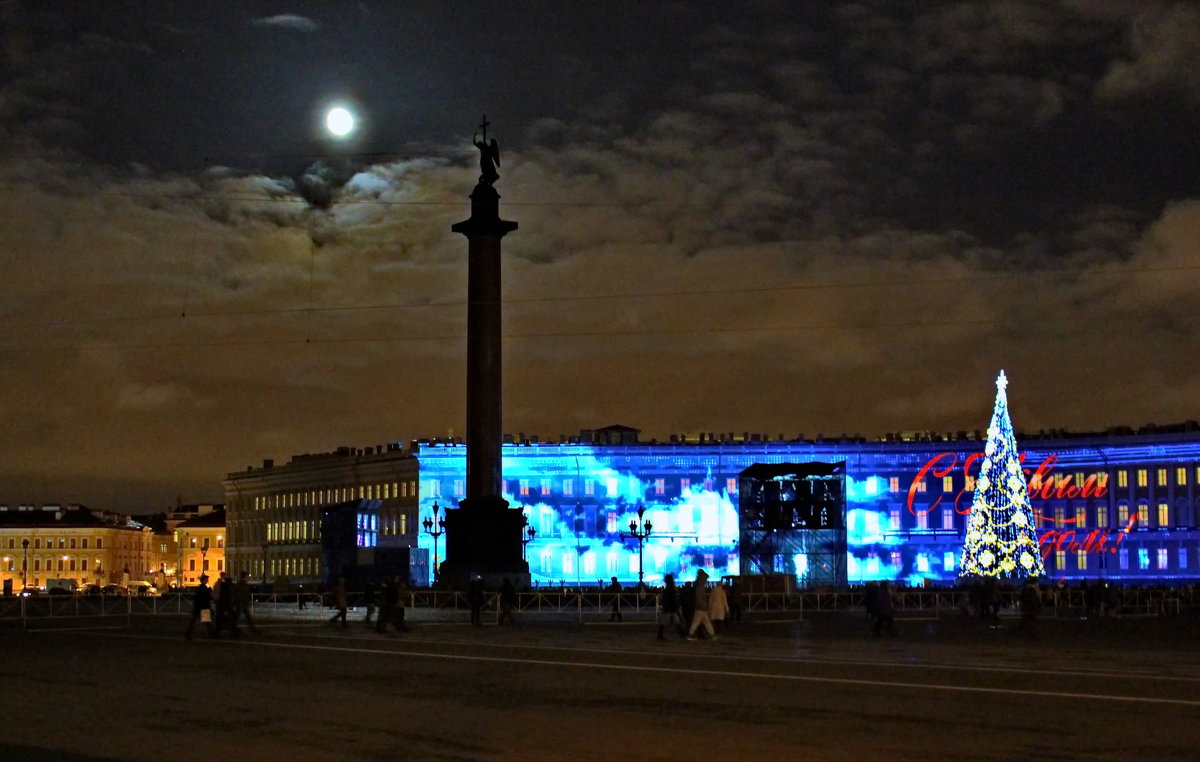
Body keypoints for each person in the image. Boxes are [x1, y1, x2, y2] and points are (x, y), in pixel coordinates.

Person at [686, 569, 715, 640]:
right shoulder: (701, 585)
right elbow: (699, 595)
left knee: (701, 621)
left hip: (700, 605)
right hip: (701, 606)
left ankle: (711, 634)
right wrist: (703, 604)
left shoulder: (698, 584)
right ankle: (711, 634)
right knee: (702, 621)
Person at [184, 574, 213, 640]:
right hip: (203, 607)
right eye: (206, 579)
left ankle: (189, 633)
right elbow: (206, 598)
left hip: (199, 607)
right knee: (206, 622)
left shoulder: (200, 588)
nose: (207, 581)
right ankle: (209, 634)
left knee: (196, 621)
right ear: (204, 580)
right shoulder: (204, 588)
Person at [657, 574, 683, 640]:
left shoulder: (667, 589)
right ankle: (682, 633)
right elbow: (673, 599)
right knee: (672, 621)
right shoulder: (671, 589)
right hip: (670, 608)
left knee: (674, 620)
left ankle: (681, 633)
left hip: (668, 608)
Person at [234, 570, 258, 634]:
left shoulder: (240, 584)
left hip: (241, 603)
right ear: (245, 576)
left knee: (243, 616)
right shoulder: (243, 584)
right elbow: (243, 594)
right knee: (241, 617)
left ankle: (253, 629)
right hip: (241, 603)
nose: (248, 577)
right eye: (247, 576)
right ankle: (232, 628)